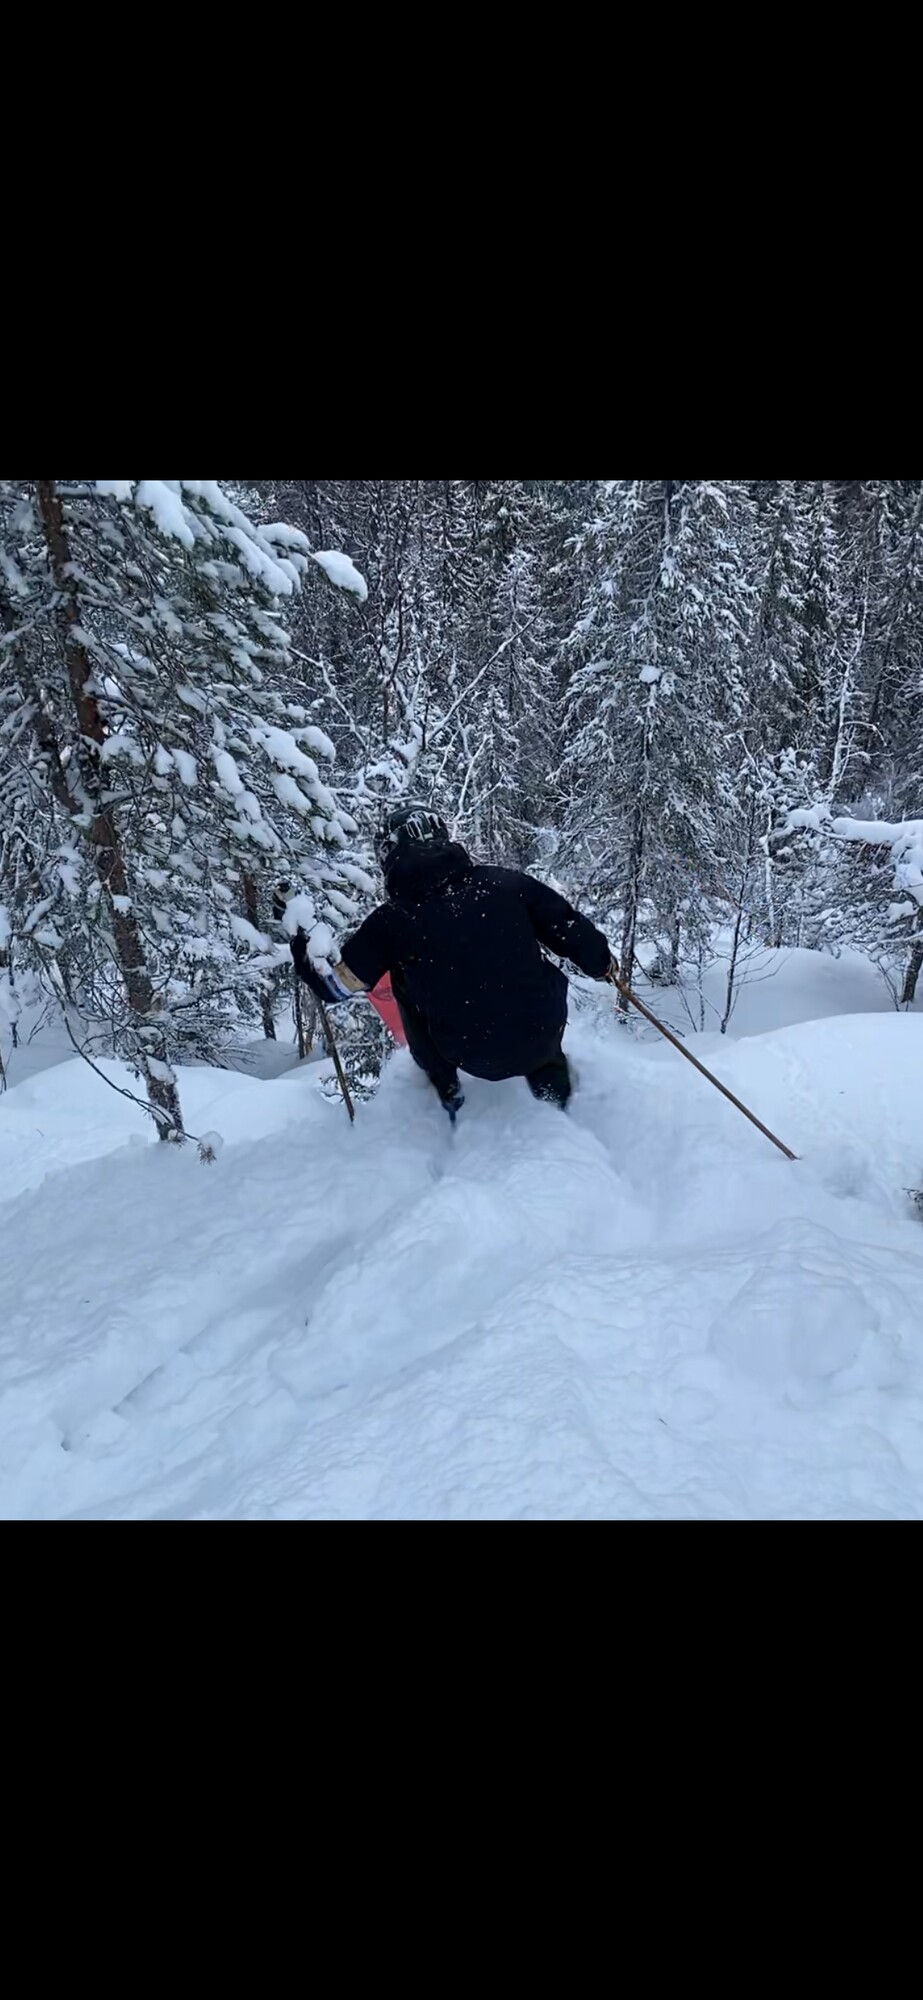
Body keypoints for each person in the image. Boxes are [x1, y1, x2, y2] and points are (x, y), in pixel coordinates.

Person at [285, 805, 618, 1120]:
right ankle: (556, 1097)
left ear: (387, 856)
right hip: (540, 1031)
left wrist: (300, 940)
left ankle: (447, 1090)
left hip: (465, 1049)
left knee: (401, 976)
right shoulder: (505, 883)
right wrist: (602, 965)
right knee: (526, 963)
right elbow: (571, 929)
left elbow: (334, 987)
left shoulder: (390, 922)